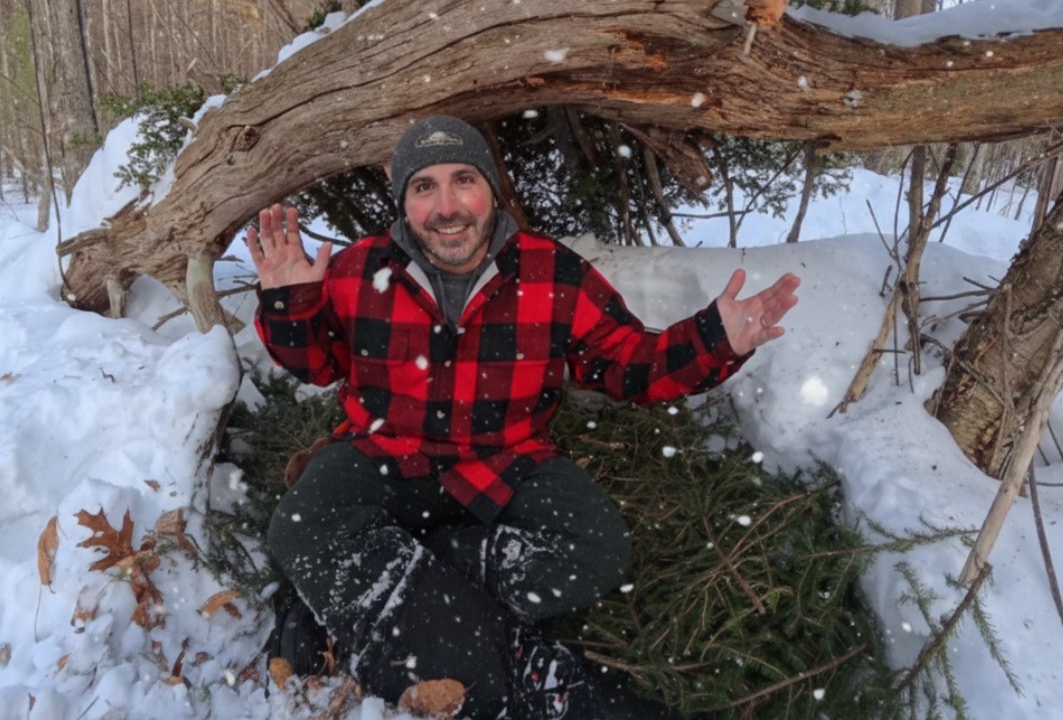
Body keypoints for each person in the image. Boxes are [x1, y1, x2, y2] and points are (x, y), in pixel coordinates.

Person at [246, 115, 800, 718]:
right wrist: (288, 301)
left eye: (463, 179)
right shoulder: (358, 271)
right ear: (404, 202)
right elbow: (317, 364)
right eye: (424, 187)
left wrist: (715, 339)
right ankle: (521, 672)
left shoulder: (552, 273)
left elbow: (627, 364)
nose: (447, 206)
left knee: (598, 552)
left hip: (505, 462)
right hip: (385, 453)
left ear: (491, 188)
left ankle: (392, 574)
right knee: (299, 524)